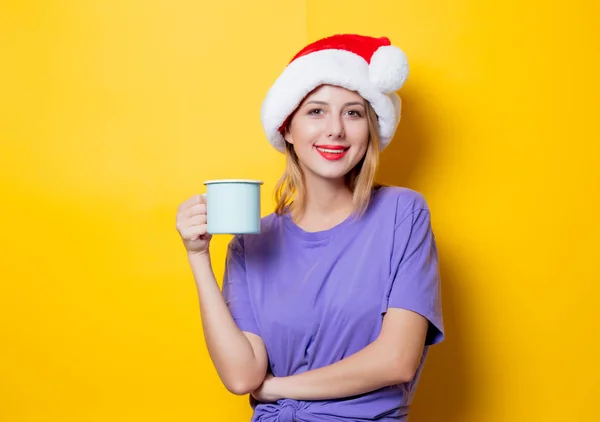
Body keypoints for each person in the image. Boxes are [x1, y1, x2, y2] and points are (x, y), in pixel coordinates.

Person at [176, 34, 444, 422]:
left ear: (370, 128)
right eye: (316, 111)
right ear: (287, 128)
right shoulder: (251, 243)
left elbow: (397, 360)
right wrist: (198, 256)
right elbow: (241, 375)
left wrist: (277, 388)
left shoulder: (402, 213)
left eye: (353, 113)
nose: (335, 129)